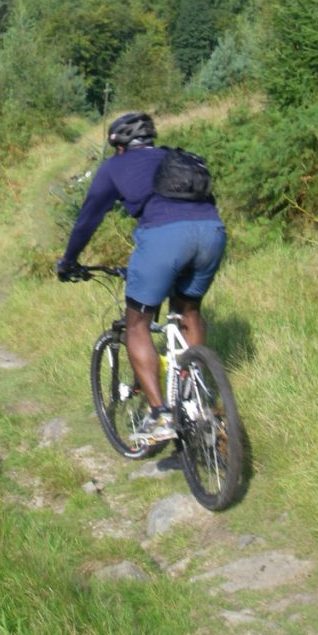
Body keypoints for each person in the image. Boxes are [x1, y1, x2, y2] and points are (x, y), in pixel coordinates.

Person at [56, 112, 226, 443]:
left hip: (163, 239)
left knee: (137, 323)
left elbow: (88, 217)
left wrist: (69, 260)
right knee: (189, 310)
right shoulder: (176, 157)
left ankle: (160, 414)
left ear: (117, 146)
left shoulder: (114, 167)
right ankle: (193, 397)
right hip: (212, 233)